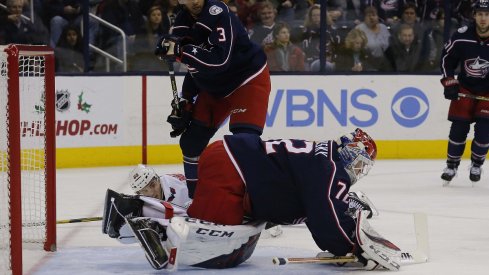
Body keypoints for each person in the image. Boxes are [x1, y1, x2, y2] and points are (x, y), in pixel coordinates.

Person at [103, 129, 397, 271]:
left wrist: (339, 246)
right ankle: (145, 218)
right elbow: (325, 213)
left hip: (228, 162)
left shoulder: (323, 161)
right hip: (232, 171)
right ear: (349, 152)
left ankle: (140, 213)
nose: (359, 169)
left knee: (217, 228)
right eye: (360, 162)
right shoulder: (330, 170)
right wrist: (351, 247)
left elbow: (316, 211)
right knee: (222, 253)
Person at [154, 0, 271, 198]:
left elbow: (219, 61)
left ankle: (261, 205)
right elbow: (194, 68)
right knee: (191, 143)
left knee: (245, 144)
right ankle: (197, 200)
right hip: (215, 86)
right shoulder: (182, 22)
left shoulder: (220, 15)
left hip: (247, 79)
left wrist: (181, 51)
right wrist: (187, 100)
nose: (195, 1)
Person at [439, 0, 489, 185]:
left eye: (487, 14)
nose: (484, 18)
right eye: (480, 14)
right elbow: (446, 59)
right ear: (474, 15)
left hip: (488, 93)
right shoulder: (461, 36)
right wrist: (449, 82)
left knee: (484, 132)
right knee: (458, 130)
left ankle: (477, 164)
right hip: (465, 89)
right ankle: (451, 166)